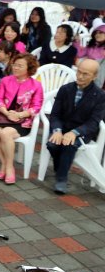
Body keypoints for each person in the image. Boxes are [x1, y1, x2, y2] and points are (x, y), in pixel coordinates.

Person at [46, 59, 105, 194]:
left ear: (94, 76)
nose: (80, 76)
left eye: (85, 74)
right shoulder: (65, 89)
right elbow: (55, 114)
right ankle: (60, 168)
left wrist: (75, 132)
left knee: (69, 145)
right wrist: (57, 130)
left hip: (82, 131)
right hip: (62, 127)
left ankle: (61, 179)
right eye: (79, 72)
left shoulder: (100, 95)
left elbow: (94, 122)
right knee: (52, 144)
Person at [0, 54, 43, 185]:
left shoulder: (36, 85)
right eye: (14, 64)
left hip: (22, 121)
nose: (15, 68)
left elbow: (36, 107)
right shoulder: (5, 80)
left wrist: (19, 115)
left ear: (29, 68)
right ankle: (5, 163)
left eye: (20, 66)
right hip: (2, 117)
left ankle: (9, 168)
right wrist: (6, 113)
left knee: (5, 133)